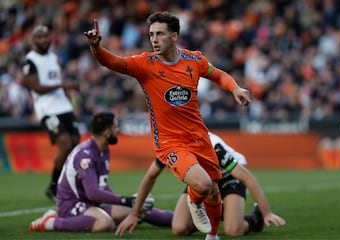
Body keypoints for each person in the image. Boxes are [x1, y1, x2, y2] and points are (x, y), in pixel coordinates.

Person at [84, 11, 251, 240]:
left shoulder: (194, 60)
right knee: (202, 186)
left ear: (174, 36)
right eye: (151, 34)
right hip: (170, 143)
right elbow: (114, 62)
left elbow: (218, 75)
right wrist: (96, 48)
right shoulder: (145, 64)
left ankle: (212, 237)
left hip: (199, 137)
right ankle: (193, 201)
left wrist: (235, 88)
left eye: (159, 34)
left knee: (213, 191)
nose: (153, 39)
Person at [28, 112, 173, 232]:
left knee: (138, 210)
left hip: (89, 204)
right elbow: (93, 193)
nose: (118, 130)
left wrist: (131, 203)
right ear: (107, 132)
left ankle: (181, 220)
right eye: (116, 127)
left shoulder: (103, 150)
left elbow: (102, 188)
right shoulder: (85, 155)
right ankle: (52, 222)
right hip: (71, 205)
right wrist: (125, 200)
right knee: (105, 223)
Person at [171, 132, 286, 236]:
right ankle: (224, 211)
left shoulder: (214, 148)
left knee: (233, 230)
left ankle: (256, 219)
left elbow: (248, 178)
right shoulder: (170, 145)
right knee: (179, 228)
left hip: (228, 176)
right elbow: (152, 174)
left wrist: (267, 213)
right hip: (204, 180)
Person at [22, 25, 80, 201]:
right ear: (34, 40)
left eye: (45, 36)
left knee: (76, 144)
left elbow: (55, 80)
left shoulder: (53, 57)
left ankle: (69, 184)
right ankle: (54, 188)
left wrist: (71, 99)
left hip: (63, 106)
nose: (43, 40)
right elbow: (37, 88)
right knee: (65, 143)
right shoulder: (29, 61)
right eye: (39, 37)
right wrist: (65, 86)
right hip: (47, 109)